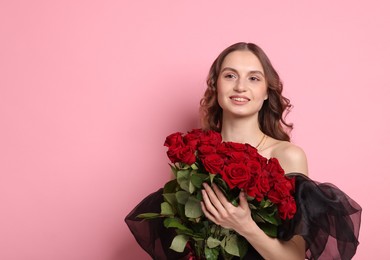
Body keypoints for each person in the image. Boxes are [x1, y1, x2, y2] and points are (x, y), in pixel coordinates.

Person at [125, 42, 361, 260]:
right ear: (216, 85)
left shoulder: (287, 156)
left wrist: (245, 226)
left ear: (267, 91)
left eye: (254, 78)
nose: (240, 86)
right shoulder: (189, 156)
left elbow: (295, 258)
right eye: (230, 76)